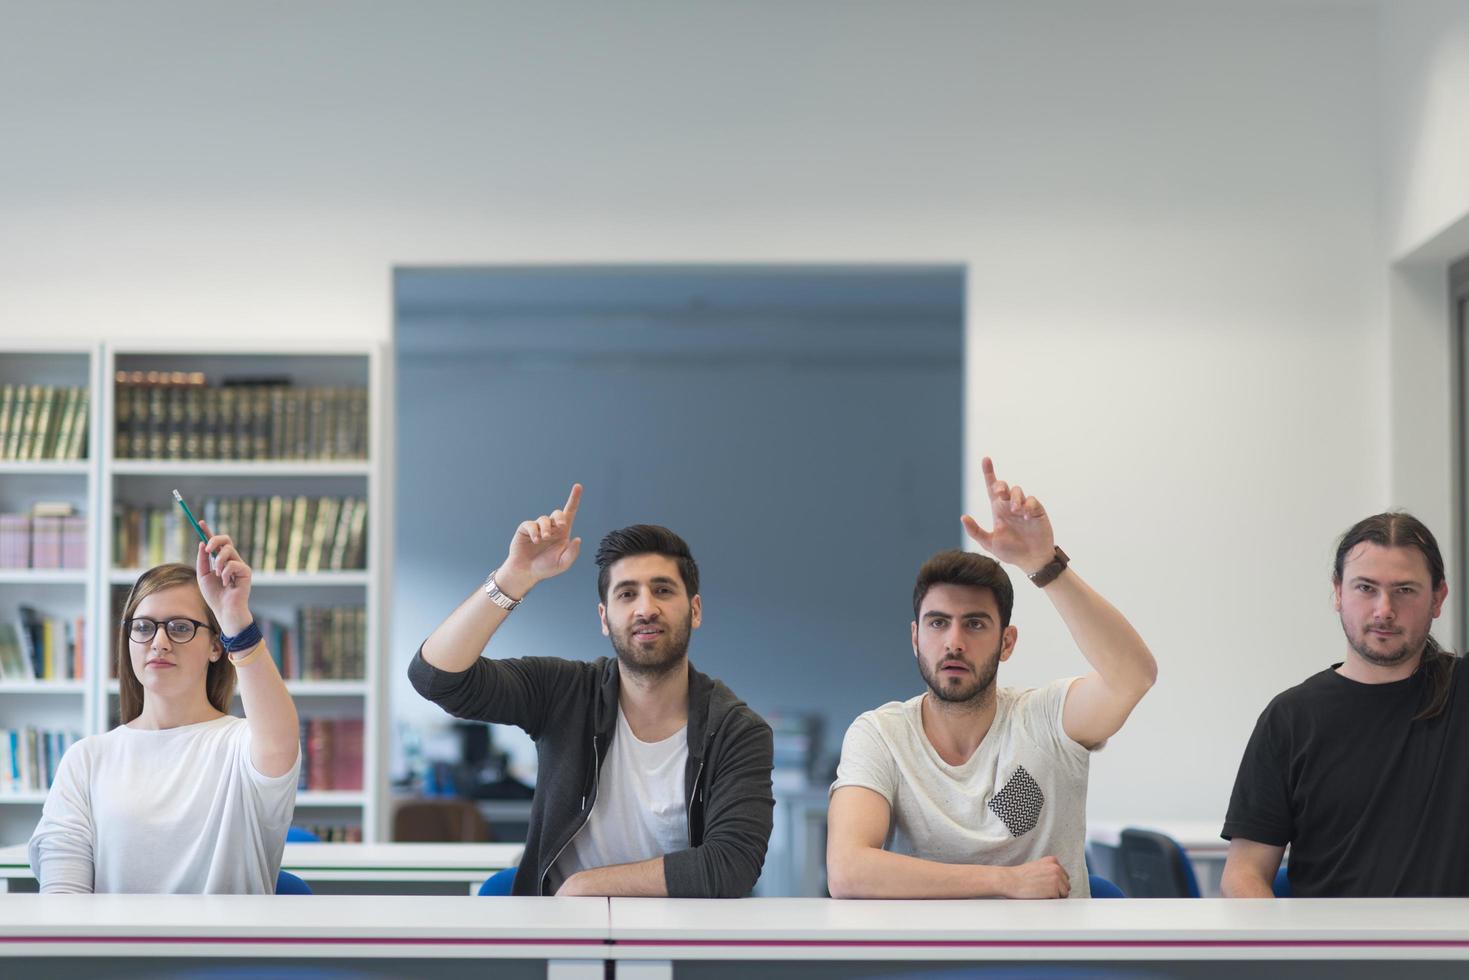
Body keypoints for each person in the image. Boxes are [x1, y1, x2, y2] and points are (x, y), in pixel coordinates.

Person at [408, 484, 773, 897]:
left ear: (695, 610)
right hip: (556, 938)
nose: (645, 608)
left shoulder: (736, 731)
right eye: (627, 593)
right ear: (604, 618)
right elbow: (436, 677)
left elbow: (732, 864)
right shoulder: (564, 693)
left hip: (679, 944)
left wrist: (587, 886)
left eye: (663, 590)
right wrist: (514, 577)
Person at [826, 457, 1157, 899]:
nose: (954, 642)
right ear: (915, 638)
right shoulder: (881, 735)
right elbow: (848, 871)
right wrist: (1006, 881)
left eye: (976, 624)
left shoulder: (1046, 720)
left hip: (1047, 963)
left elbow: (1133, 677)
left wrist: (1044, 564)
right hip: (927, 963)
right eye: (938, 623)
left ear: (1007, 642)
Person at [29, 521, 300, 893]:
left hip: (230, 952)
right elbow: (63, 902)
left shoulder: (242, 747)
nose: (158, 642)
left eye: (179, 627)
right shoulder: (86, 760)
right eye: (143, 627)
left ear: (216, 646)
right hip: (117, 953)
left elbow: (280, 741)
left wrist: (233, 614)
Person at [1221, 512, 1469, 897]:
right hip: (1332, 954)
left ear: (1438, 598)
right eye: (1366, 588)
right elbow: (1244, 876)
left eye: (1405, 590)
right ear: (1338, 593)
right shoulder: (1290, 718)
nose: (1384, 609)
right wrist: (1291, 957)